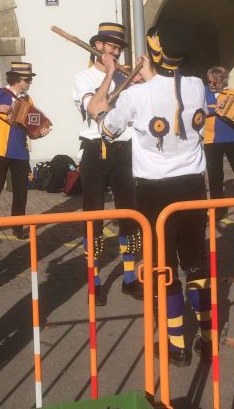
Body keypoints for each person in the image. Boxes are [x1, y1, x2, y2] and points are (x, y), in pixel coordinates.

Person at [89, 19, 212, 366]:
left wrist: (104, 108)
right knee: (196, 262)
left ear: (153, 53)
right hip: (192, 185)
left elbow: (109, 130)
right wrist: (152, 74)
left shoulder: (134, 95)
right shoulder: (197, 85)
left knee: (165, 266)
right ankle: (207, 336)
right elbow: (169, 90)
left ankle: (177, 345)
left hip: (155, 191)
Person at [72, 22, 142, 306]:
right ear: (97, 46)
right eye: (111, 46)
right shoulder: (83, 77)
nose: (115, 51)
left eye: (119, 47)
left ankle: (129, 279)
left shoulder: (125, 77)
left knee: (128, 214)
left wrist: (140, 76)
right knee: (93, 217)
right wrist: (111, 74)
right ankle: (95, 282)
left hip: (123, 149)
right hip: (94, 150)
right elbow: (95, 108)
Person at [0, 62, 50, 239]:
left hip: (21, 153)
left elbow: (30, 130)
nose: (30, 82)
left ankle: (17, 227)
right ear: (17, 79)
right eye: (28, 79)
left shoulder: (28, 100)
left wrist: (40, 133)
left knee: (21, 192)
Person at [204, 66, 234, 217]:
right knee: (215, 176)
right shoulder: (203, 93)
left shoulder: (232, 93)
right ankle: (218, 210)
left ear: (223, 81)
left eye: (215, 82)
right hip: (211, 140)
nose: (211, 85)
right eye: (210, 81)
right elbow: (198, 111)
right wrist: (214, 109)